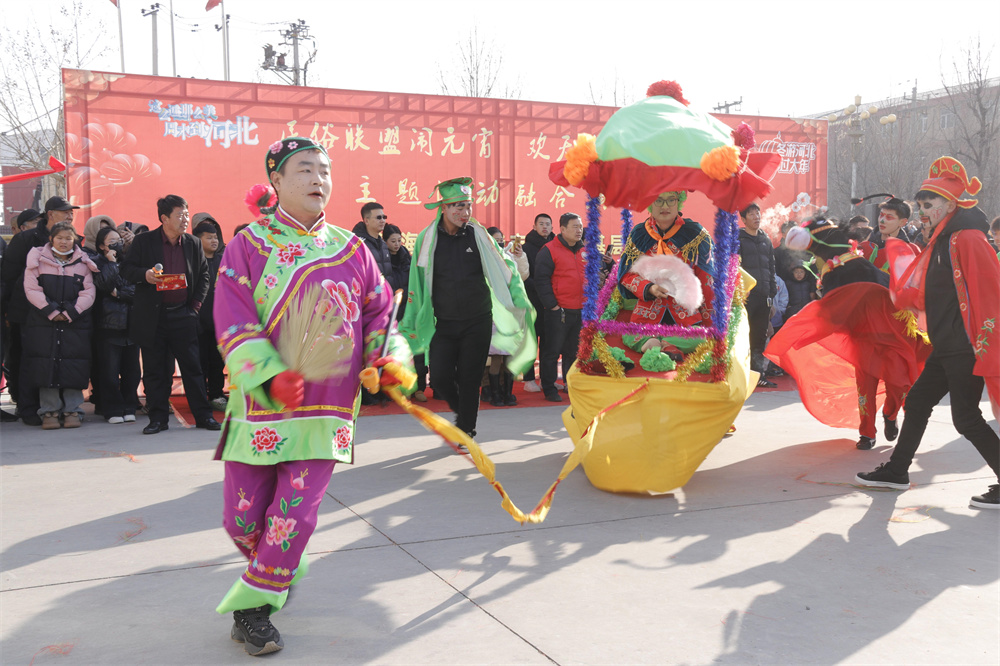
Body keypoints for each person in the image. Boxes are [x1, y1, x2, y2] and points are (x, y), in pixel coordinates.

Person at [212, 136, 411, 655]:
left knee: (293, 514)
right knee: (240, 516)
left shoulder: (351, 249)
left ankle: (255, 607)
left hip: (327, 406)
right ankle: (277, 567)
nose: (318, 178)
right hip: (259, 404)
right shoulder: (248, 246)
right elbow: (233, 318)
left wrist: (387, 358)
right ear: (276, 180)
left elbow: (379, 314)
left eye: (324, 169)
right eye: (304, 169)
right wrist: (266, 374)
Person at [856, 157, 999, 509]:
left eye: (929, 205)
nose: (923, 211)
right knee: (918, 402)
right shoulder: (942, 240)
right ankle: (897, 470)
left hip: (965, 345)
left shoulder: (966, 237)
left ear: (950, 204)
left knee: (965, 418)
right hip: (946, 344)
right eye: (920, 205)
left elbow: (990, 288)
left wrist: (985, 342)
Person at [399, 177, 536, 438]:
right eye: (458, 207)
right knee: (439, 378)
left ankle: (466, 429)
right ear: (444, 208)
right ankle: (463, 414)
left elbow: (503, 266)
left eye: (468, 206)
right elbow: (417, 279)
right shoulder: (427, 240)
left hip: (478, 319)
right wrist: (414, 315)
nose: (465, 213)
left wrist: (517, 284)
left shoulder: (478, 235)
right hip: (443, 322)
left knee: (470, 378)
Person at [120, 194, 220, 435]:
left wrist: (194, 307)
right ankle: (157, 418)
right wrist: (145, 275)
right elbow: (125, 269)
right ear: (164, 218)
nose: (185, 219)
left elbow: (204, 277)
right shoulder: (144, 242)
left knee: (193, 368)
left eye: (187, 214)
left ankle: (203, 416)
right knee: (155, 371)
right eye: (180, 215)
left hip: (184, 315)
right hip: (154, 317)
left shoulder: (193, 243)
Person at [2, 198, 78, 424]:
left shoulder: (71, 238)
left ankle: (55, 408)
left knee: (54, 361)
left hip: (61, 312)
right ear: (51, 214)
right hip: (28, 312)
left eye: (71, 213)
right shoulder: (25, 239)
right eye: (65, 212)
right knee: (28, 360)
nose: (70, 216)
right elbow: (8, 276)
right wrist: (6, 310)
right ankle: (28, 408)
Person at [22, 221, 97, 429]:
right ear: (51, 239)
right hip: (43, 323)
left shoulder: (83, 263)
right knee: (47, 364)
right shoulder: (37, 259)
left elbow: (89, 292)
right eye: (60, 238)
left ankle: (73, 409)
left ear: (74, 241)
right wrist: (52, 311)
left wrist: (71, 312)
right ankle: (49, 411)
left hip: (75, 324)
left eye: (68, 238)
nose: (64, 242)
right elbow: (31, 289)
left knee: (73, 364)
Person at [617, 191, 715, 333]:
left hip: (686, 316)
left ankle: (664, 346)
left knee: (696, 341)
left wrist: (709, 325)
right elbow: (627, 275)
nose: (665, 206)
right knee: (630, 337)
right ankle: (664, 346)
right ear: (650, 204)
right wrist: (648, 288)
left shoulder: (696, 234)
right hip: (646, 316)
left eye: (671, 200)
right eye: (658, 200)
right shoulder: (639, 234)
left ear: (679, 202)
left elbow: (707, 280)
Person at [533, 212, 585, 403]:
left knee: (573, 351)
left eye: (580, 227)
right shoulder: (549, 250)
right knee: (552, 351)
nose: (579, 230)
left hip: (580, 309)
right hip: (559, 311)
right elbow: (541, 280)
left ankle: (569, 385)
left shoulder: (584, 250)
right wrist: (552, 306)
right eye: (575, 227)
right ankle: (549, 388)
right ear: (562, 229)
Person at [92, 226, 140, 423]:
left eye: (119, 239)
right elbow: (103, 285)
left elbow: (136, 290)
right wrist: (111, 264)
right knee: (110, 373)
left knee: (132, 372)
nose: (117, 243)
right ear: (102, 245)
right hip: (109, 326)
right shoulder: (96, 263)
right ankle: (112, 409)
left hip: (132, 324)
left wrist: (118, 293)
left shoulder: (130, 262)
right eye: (111, 240)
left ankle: (130, 406)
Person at [483, 226, 530, 406]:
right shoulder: (484, 260)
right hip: (494, 314)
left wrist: (518, 256)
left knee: (509, 356)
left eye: (501, 240)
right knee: (495, 357)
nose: (499, 243)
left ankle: (507, 393)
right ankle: (495, 394)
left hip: (511, 314)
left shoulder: (510, 258)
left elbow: (521, 278)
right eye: (495, 240)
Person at [384, 223, 428, 402]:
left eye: (399, 240)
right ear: (385, 241)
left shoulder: (408, 259)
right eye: (392, 241)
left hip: (410, 310)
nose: (396, 244)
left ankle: (419, 388)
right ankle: (400, 388)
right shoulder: (384, 262)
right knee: (396, 351)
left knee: (417, 350)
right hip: (393, 312)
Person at [738, 203, 778, 388]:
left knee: (759, 337)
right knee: (743, 335)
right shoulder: (738, 238)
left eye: (758, 213)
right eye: (751, 214)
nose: (756, 217)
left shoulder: (766, 240)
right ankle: (741, 375)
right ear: (744, 219)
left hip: (764, 296)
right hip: (745, 296)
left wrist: (771, 294)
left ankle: (758, 375)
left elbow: (771, 267)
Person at [193, 217, 228, 411]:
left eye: (215, 237)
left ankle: (216, 394)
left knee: (217, 361)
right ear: (198, 240)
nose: (214, 241)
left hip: (219, 322)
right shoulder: (192, 261)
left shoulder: (224, 261)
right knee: (199, 362)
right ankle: (199, 398)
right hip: (197, 322)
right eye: (209, 237)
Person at [521, 213, 555, 392]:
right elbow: (524, 277)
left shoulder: (556, 246)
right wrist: (542, 287)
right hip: (532, 300)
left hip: (551, 301)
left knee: (549, 343)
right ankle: (528, 380)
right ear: (534, 226)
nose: (544, 227)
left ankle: (547, 378)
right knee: (531, 341)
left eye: (547, 224)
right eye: (541, 224)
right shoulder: (526, 248)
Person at [859, 197, 913, 273]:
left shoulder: (911, 252)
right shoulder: (863, 248)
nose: (882, 220)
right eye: (881, 215)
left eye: (889, 217)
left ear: (902, 222)